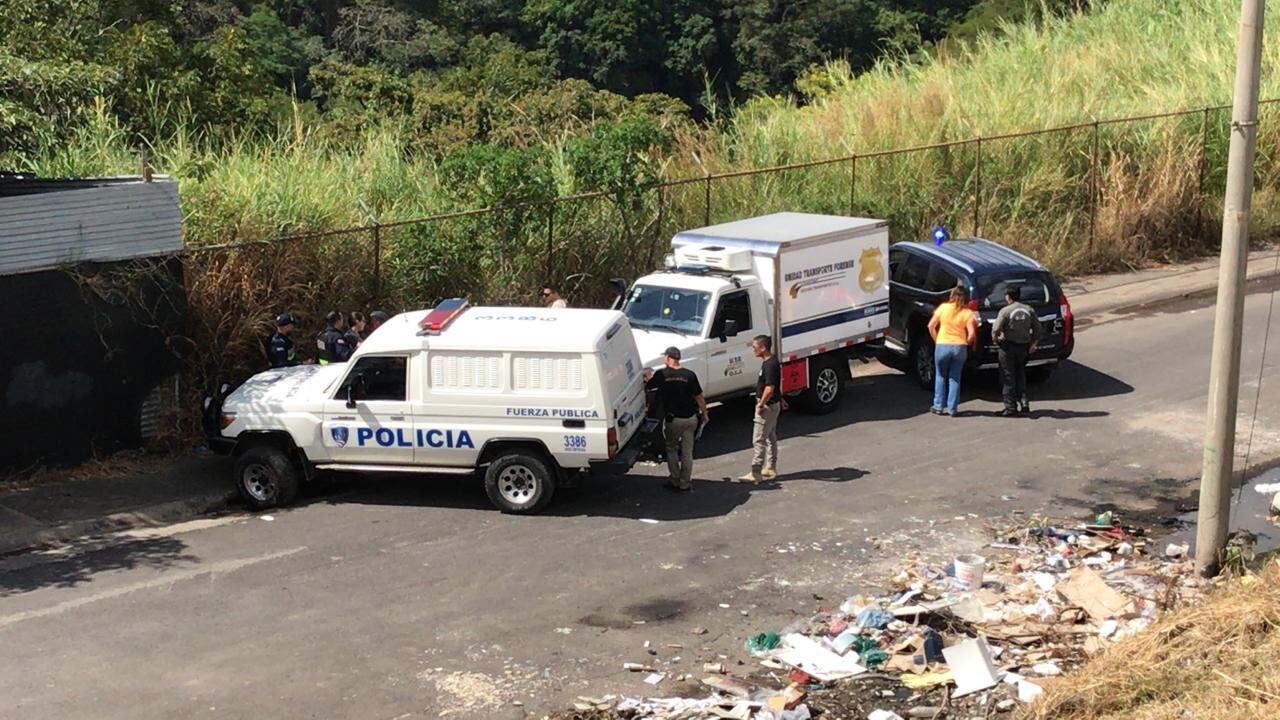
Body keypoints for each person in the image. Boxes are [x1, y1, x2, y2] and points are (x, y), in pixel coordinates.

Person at [644, 347, 708, 492]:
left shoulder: (662, 374)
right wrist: (704, 413)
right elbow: (699, 396)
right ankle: (685, 482)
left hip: (673, 420)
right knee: (687, 452)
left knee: (672, 449)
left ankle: (675, 479)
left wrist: (649, 376)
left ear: (667, 358)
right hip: (691, 418)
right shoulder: (689, 375)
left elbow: (649, 386)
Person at [991, 286, 1043, 416]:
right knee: (1020, 373)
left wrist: (996, 340)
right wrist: (1033, 343)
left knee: (1008, 376)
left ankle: (1010, 407)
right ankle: (1024, 402)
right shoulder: (1029, 310)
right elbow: (1038, 329)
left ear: (1008, 296)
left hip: (1008, 346)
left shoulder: (1005, 311)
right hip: (1024, 347)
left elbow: (995, 329)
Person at [927, 286, 978, 417]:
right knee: (955, 378)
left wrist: (937, 339)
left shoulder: (943, 307)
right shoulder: (967, 313)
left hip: (943, 343)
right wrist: (968, 341)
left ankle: (938, 405)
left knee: (940, 376)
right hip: (959, 346)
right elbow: (972, 333)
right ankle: (952, 408)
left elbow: (931, 325)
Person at [740, 335, 782, 482]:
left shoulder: (770, 365)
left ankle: (756, 472)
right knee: (770, 436)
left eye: (755, 347)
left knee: (758, 439)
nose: (753, 350)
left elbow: (769, 388)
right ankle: (770, 467)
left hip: (767, 406)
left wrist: (761, 404)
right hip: (773, 404)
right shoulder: (770, 362)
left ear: (763, 348)